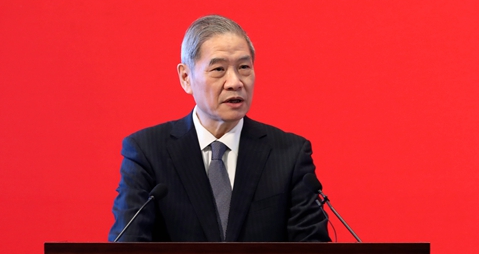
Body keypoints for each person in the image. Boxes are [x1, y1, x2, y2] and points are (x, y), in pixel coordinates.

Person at [108, 15, 330, 242]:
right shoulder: (147, 153)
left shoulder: (289, 154)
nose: (235, 82)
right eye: (218, 69)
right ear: (186, 77)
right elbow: (127, 249)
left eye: (244, 67)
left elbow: (313, 251)